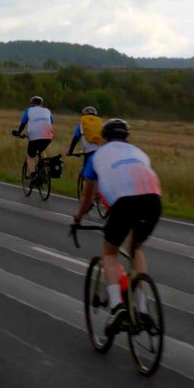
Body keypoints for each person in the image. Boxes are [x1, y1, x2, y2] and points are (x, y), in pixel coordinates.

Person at [72, 119, 162, 336]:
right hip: (154, 200)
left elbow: (88, 197)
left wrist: (78, 218)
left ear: (104, 138)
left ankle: (116, 307)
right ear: (126, 137)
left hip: (124, 203)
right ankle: (142, 308)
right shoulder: (140, 153)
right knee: (135, 248)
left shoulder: (97, 156)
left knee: (109, 253)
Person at [12, 95, 54, 182]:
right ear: (41, 104)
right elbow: (50, 122)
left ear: (31, 103)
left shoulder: (29, 110)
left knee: (30, 155)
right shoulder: (47, 111)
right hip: (48, 136)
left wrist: (19, 133)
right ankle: (46, 171)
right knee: (41, 150)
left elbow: (23, 124)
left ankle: (33, 175)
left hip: (34, 136)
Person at [67, 106, 104, 174]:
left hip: (88, 149)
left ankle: (85, 178)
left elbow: (76, 137)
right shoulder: (99, 121)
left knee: (86, 170)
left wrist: (70, 151)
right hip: (100, 149)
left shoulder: (83, 120)